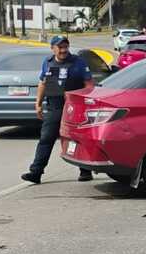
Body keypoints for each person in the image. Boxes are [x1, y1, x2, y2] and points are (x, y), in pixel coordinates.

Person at [22, 36, 94, 184]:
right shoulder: (47, 63)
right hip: (54, 105)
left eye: (65, 47)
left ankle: (85, 171)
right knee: (46, 138)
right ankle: (36, 172)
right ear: (52, 48)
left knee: (77, 138)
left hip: (74, 106)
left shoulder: (78, 62)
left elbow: (88, 84)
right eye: (60, 47)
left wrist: (86, 103)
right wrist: (38, 103)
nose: (63, 50)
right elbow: (43, 83)